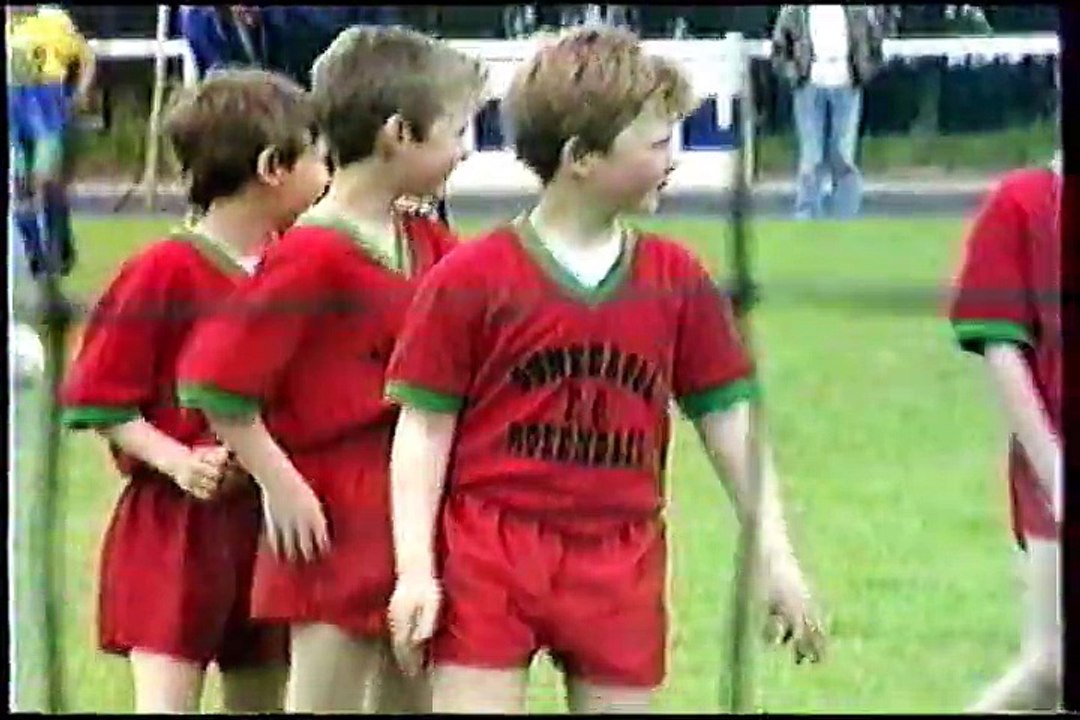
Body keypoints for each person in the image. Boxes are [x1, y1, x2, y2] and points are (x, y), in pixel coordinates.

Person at [384, 26, 825, 713]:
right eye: (655, 144)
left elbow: (729, 421)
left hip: (621, 553)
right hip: (492, 547)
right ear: (581, 158)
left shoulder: (676, 278)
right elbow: (422, 429)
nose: (672, 160)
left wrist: (776, 555)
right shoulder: (471, 278)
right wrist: (415, 570)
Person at [176, 26, 485, 713]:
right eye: (458, 130)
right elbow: (213, 382)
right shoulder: (310, 255)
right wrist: (279, 482)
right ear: (398, 134)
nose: (467, 149)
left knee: (416, 694)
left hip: (419, 514)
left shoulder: (428, 239)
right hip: (331, 521)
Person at [59, 68, 330, 714]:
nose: (329, 170)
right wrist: (178, 460)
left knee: (262, 697)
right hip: (174, 538)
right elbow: (99, 398)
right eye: (319, 154)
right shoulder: (163, 272)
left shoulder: (304, 266)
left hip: (268, 530)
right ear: (273, 166)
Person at [949, 155, 1062, 713]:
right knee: (1051, 668)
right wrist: (1054, 471)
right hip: (1055, 459)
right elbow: (1001, 346)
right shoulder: (1023, 202)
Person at [7, 4, 95, 277]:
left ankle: (59, 248)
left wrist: (81, 90)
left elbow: (86, 56)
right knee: (20, 188)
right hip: (14, 111)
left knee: (46, 181)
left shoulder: (53, 19)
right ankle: (36, 257)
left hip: (47, 109)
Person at [771, 5, 883, 220]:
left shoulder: (857, 11)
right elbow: (779, 49)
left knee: (844, 153)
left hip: (847, 84)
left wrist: (863, 71)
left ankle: (845, 215)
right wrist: (793, 74)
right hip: (809, 85)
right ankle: (807, 215)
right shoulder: (795, 11)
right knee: (811, 155)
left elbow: (875, 44)